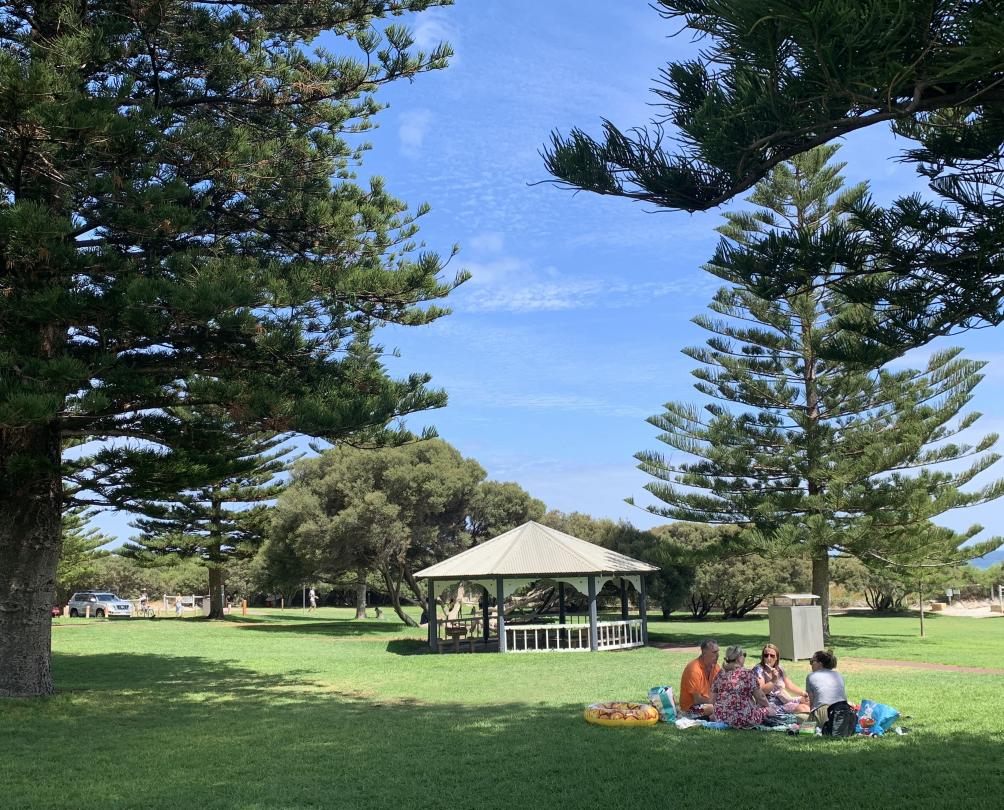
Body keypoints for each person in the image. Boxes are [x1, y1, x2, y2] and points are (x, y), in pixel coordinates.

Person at [711, 645, 777, 728]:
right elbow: (760, 697)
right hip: (744, 718)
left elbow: (712, 699)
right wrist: (768, 707)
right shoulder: (747, 674)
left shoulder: (720, 674)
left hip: (722, 717)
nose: (745, 657)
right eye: (744, 655)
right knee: (770, 711)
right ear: (739, 658)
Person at [752, 642, 810, 713]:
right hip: (771, 704)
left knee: (809, 702)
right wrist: (773, 680)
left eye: (772, 656)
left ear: (776, 657)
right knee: (803, 708)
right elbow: (762, 692)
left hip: (785, 699)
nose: (768, 658)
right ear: (763, 657)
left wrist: (804, 693)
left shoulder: (779, 669)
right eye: (766, 655)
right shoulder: (759, 670)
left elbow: (789, 685)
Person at [805, 649, 848, 727]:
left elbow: (812, 703)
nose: (810, 664)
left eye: (812, 661)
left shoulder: (811, 676)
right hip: (843, 713)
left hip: (824, 713)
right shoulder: (838, 675)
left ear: (820, 664)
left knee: (798, 717)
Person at [679, 638, 721, 716]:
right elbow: (697, 700)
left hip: (708, 703)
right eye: (714, 652)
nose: (717, 655)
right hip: (690, 708)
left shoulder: (716, 667)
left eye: (718, 651)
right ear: (704, 652)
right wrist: (717, 702)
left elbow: (720, 690)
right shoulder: (694, 669)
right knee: (713, 709)